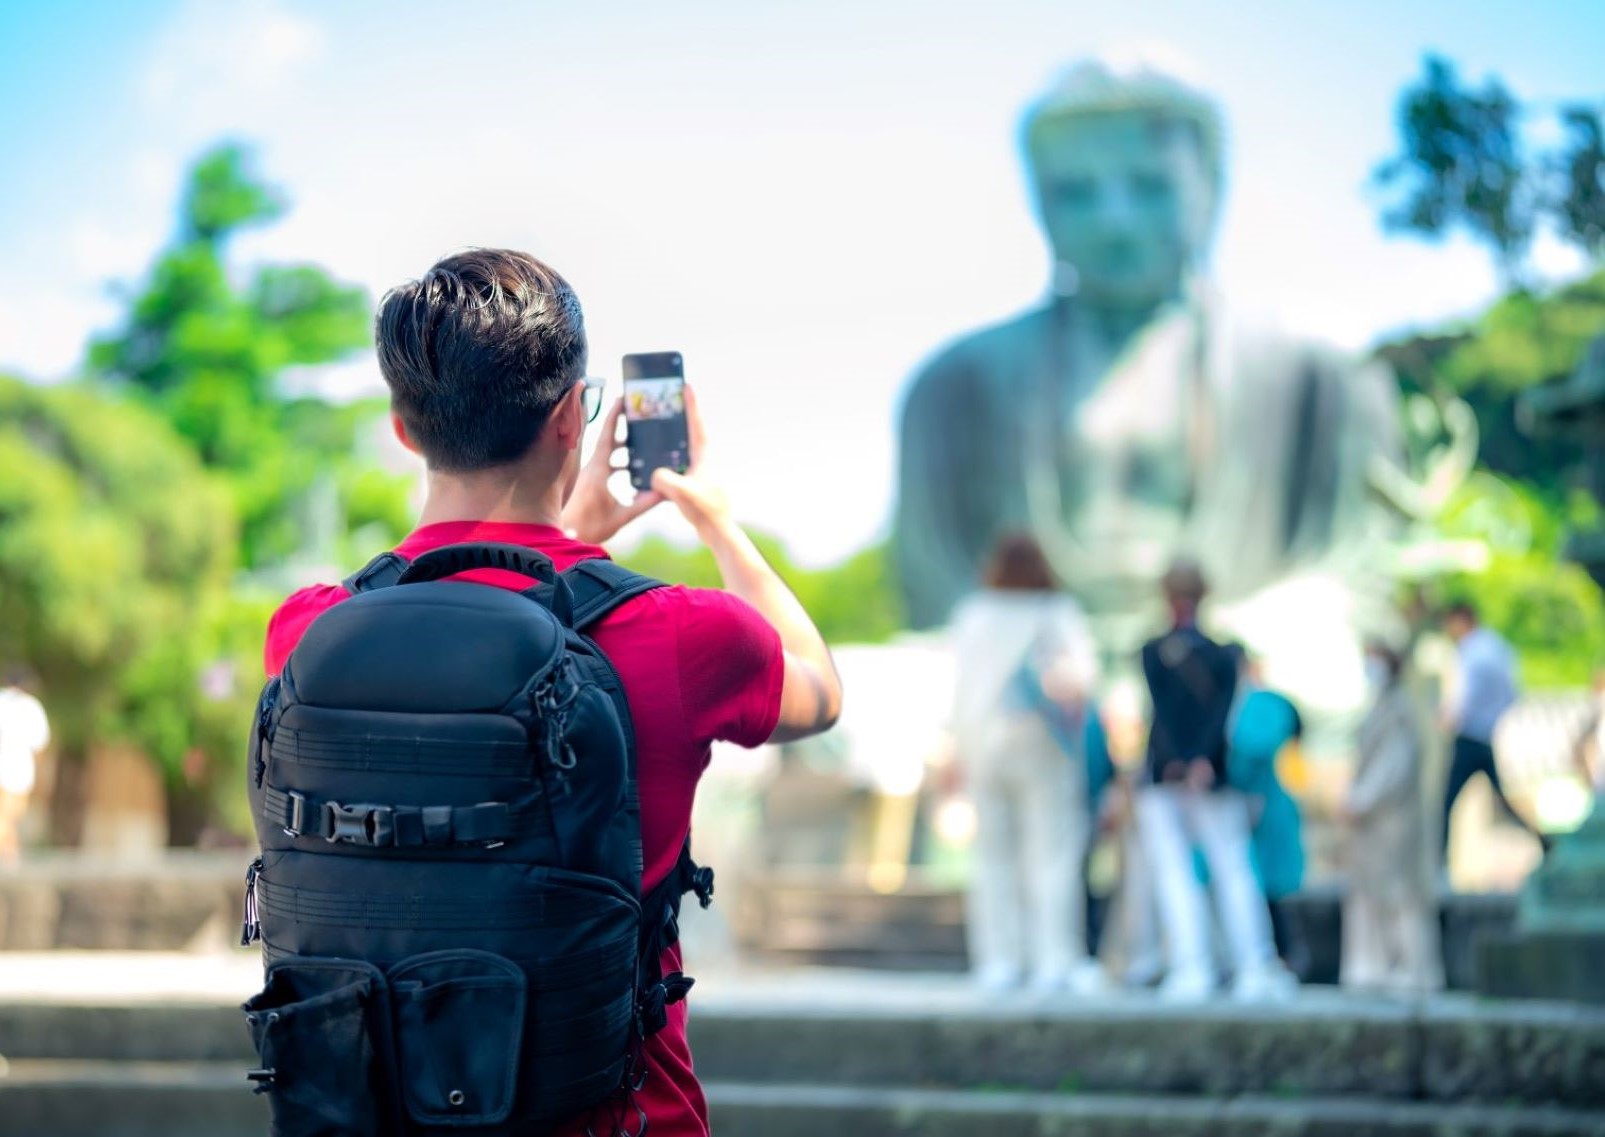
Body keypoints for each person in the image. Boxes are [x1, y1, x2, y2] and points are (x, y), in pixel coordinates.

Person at [262, 249, 843, 1137]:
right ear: (573, 416)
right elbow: (820, 690)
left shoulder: (307, 630)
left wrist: (559, 538)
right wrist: (714, 517)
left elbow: (471, 611)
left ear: (405, 429)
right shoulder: (684, 634)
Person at [949, 532, 1103, 994]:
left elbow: (957, 692)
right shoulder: (1056, 613)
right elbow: (1083, 679)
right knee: (1053, 857)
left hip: (984, 746)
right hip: (1046, 747)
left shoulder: (973, 614)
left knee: (993, 858)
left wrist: (952, 755)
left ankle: (999, 961)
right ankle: (1054, 959)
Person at [1135, 560, 1289, 1002]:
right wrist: (1201, 759)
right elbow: (1218, 717)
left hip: (1169, 775)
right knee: (1232, 870)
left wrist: (1175, 762)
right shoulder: (1222, 655)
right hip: (1207, 776)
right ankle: (1250, 963)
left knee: (1181, 875)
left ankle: (1194, 965)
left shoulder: (1155, 651)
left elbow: (1163, 715)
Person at [1342, 639, 1442, 993]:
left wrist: (1361, 799)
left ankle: (1410, 966)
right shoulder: (1382, 707)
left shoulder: (1400, 709)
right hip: (1376, 825)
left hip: (1394, 821)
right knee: (1374, 894)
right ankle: (1377, 965)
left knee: (1401, 894)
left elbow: (1394, 766)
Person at [1439, 601, 1544, 866]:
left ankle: (1438, 861)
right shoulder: (1498, 647)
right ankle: (1544, 841)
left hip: (1471, 735)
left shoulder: (1471, 651)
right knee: (1502, 798)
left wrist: (1449, 718)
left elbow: (1463, 697)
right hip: (1491, 733)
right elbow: (1511, 693)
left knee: (1446, 802)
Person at [1225, 654, 1309, 980]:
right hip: (1253, 811)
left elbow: (1255, 747)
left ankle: (1284, 958)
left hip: (1268, 811)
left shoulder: (1262, 705)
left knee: (1271, 890)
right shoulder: (1254, 705)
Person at [0, 671, 50, 864]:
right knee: (8, 817)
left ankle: (12, 860)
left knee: (7, 819)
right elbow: (40, 744)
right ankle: (12, 862)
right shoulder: (31, 707)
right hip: (18, 771)